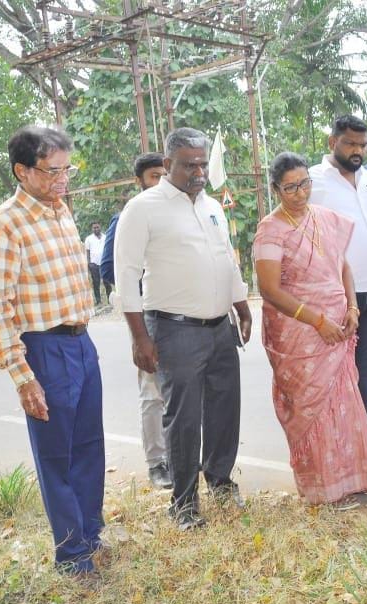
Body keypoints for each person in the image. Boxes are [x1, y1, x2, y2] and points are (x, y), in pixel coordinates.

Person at [0, 125, 104, 576]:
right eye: (53, 172)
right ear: (22, 171)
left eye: (67, 169)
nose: (63, 180)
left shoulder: (60, 212)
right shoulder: (4, 224)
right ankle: (72, 556)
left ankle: (91, 535)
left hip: (81, 343)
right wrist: (23, 375)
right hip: (44, 350)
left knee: (89, 447)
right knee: (57, 457)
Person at [114, 127, 252, 531]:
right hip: (174, 330)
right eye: (189, 164)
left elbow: (226, 259)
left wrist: (241, 304)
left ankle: (221, 482)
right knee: (184, 418)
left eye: (202, 164)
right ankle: (184, 502)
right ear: (168, 164)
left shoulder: (211, 206)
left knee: (226, 408)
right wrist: (140, 337)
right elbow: (126, 276)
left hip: (218, 326)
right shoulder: (144, 208)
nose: (198, 172)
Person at [253, 152, 367, 510]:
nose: (300, 193)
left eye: (304, 184)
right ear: (276, 189)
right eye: (290, 188)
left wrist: (352, 306)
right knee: (312, 409)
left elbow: (342, 266)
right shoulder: (271, 229)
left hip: (339, 326)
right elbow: (269, 289)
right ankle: (324, 490)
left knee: (346, 403)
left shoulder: (325, 218)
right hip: (300, 332)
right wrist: (316, 320)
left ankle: (359, 479)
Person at [309, 115, 367, 456]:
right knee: (334, 372)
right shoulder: (313, 181)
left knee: (365, 370)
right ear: (332, 142)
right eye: (351, 144)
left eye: (362, 145)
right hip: (337, 293)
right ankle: (331, 443)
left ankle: (358, 434)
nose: (358, 151)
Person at [101, 152, 171, 489]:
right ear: (139, 181)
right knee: (152, 391)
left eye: (164, 174)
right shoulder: (128, 217)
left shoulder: (176, 211)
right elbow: (109, 268)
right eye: (154, 176)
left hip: (179, 315)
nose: (160, 181)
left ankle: (179, 456)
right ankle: (157, 463)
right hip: (146, 316)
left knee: (179, 390)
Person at [84, 222, 108, 306]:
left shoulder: (105, 237)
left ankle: (110, 300)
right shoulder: (89, 239)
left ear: (100, 227)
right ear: (92, 229)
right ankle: (98, 301)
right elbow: (87, 251)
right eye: (94, 228)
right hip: (94, 264)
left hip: (104, 263)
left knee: (107, 281)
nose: (96, 229)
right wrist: (89, 263)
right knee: (96, 282)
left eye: (97, 227)